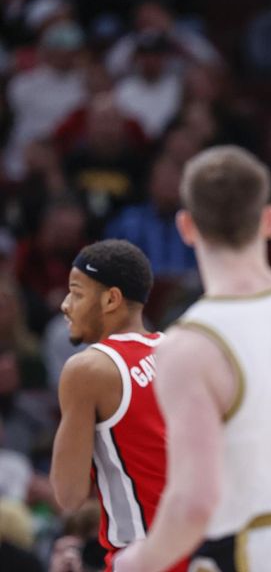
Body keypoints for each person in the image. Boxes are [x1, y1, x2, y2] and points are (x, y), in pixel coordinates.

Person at [113, 146, 271, 571]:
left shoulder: (190, 344)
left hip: (260, 549)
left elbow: (195, 504)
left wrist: (134, 563)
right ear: (270, 219)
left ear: (187, 227)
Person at [49, 239, 188, 572]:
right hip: (202, 549)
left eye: (77, 293)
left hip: (146, 558)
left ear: (111, 299)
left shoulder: (88, 369)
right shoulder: (177, 351)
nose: (66, 304)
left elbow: (68, 494)